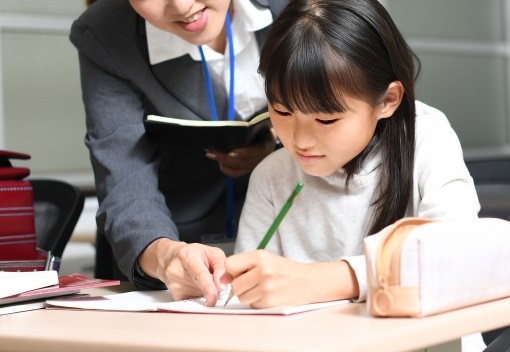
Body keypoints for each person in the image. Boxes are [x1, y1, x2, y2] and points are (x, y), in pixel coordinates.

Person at [222, 0, 480, 309]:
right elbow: (251, 298)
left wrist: (331, 279)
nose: (300, 141)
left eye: (326, 119)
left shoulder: (426, 139)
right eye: (282, 111)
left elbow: (461, 257)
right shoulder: (272, 175)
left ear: (387, 100)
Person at [69, 0, 288, 306]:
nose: (183, 6)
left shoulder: (299, 5)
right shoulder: (105, 33)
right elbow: (124, 175)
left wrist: (277, 144)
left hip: (293, 234)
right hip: (173, 248)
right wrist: (164, 253)